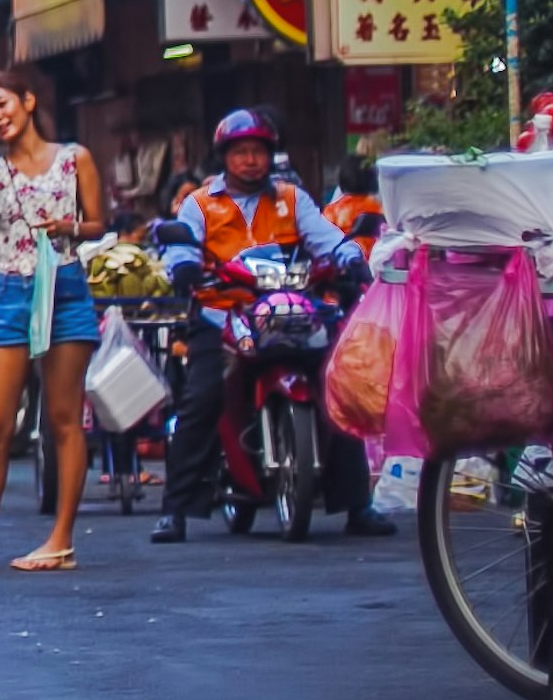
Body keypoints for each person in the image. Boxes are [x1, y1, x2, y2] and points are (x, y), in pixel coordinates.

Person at [152, 107, 384, 542]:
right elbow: (181, 246)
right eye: (241, 152)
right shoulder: (199, 204)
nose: (250, 160)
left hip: (293, 311)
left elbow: (327, 238)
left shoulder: (293, 199)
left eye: (258, 151)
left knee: (340, 387)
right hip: (222, 314)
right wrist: (183, 266)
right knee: (201, 400)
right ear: (225, 156)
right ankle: (175, 511)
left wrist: (351, 258)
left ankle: (358, 505)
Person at [0, 66, 105, 571]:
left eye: (2, 104)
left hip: (65, 286)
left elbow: (100, 221)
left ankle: (61, 540)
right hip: (9, 291)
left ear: (29, 101)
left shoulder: (75, 158)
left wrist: (71, 225)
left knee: (64, 419)